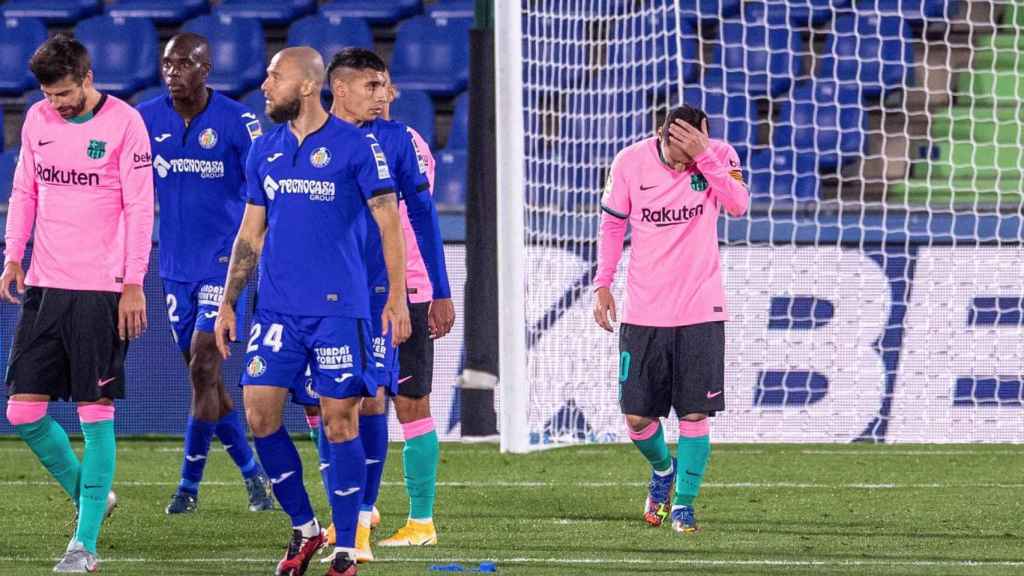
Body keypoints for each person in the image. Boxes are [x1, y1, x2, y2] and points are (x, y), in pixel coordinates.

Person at [213, 47, 410, 576]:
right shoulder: (265, 151)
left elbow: (389, 220)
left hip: (339, 312)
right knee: (259, 413)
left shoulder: (356, 147)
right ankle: (305, 528)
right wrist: (228, 302)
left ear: (306, 85)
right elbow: (250, 233)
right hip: (276, 310)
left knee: (341, 419)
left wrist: (397, 295)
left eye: (274, 75)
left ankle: (346, 546)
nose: (265, 85)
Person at [0, 33, 154, 572]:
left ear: (88, 79)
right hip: (45, 284)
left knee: (95, 413)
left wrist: (132, 282)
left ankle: (83, 544)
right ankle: (95, 496)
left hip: (101, 290)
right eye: (48, 94)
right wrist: (13, 255)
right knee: (23, 412)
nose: (56, 104)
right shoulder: (39, 119)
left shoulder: (125, 124)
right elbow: (25, 191)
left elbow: (140, 207)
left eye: (64, 93)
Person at [319, 48, 454, 562]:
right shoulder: (319, 139)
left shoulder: (405, 142)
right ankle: (359, 510)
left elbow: (422, 218)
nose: (383, 95)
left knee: (406, 401)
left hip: (404, 292)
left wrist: (439, 290)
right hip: (339, 294)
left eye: (386, 86)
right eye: (372, 86)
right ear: (340, 88)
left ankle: (418, 519)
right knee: (343, 403)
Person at [592, 104, 748, 534]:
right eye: (678, 145)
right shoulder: (630, 162)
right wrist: (602, 283)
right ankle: (664, 471)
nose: (685, 155)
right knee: (638, 419)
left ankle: (684, 504)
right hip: (644, 311)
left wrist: (705, 156)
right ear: (662, 136)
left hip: (701, 307)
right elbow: (610, 225)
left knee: (695, 413)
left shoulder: (719, 155)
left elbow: (738, 204)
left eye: (694, 143)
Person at [137, 31, 273, 516]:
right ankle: (254, 477)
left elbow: (264, 192)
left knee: (203, 366)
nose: (174, 73)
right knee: (207, 384)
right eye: (168, 65)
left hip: (224, 264)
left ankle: (187, 486)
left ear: (206, 69)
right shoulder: (145, 119)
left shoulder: (239, 123)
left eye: (184, 64)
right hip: (173, 268)